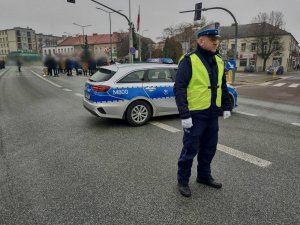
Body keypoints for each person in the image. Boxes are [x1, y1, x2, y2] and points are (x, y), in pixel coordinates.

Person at [174, 22, 232, 197]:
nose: (216, 43)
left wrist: (227, 106)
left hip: (212, 113)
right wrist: (184, 114)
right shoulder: (189, 60)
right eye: (212, 39)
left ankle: (204, 176)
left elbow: (222, 85)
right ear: (201, 41)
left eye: (217, 40)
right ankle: (183, 180)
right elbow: (179, 88)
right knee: (190, 149)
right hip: (195, 114)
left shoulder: (219, 60)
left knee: (209, 147)